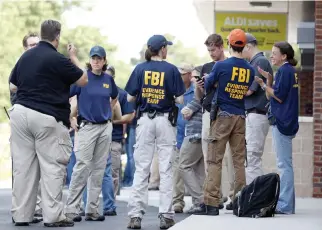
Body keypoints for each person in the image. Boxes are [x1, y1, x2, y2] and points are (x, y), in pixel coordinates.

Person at [9, 19, 87, 227]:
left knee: (23, 168)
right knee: (52, 167)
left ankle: (21, 216)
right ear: (57, 36)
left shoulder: (25, 57)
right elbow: (83, 80)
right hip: (46, 117)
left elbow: (13, 84)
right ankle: (53, 217)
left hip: (20, 114)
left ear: (41, 34)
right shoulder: (58, 59)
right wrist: (72, 57)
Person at [125, 34, 185, 229]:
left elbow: (129, 98)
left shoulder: (140, 68)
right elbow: (180, 100)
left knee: (142, 168)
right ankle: (166, 215)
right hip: (165, 120)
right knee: (166, 168)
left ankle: (135, 216)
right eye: (166, 47)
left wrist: (146, 94)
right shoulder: (171, 70)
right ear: (162, 49)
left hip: (145, 120)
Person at [194, 29, 255, 216]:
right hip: (240, 116)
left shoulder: (220, 66)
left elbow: (208, 84)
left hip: (222, 116)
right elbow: (245, 90)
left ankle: (211, 203)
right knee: (238, 161)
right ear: (244, 46)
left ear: (228, 45)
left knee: (214, 160)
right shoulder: (250, 69)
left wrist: (205, 82)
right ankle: (238, 201)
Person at [65, 45, 118, 222]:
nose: (96, 61)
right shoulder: (83, 78)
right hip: (87, 127)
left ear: (104, 61)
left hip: (105, 127)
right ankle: (72, 209)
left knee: (99, 169)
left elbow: (115, 96)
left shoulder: (108, 79)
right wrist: (70, 118)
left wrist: (108, 111)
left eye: (99, 58)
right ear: (90, 60)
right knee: (82, 167)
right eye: (93, 58)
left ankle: (92, 209)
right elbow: (66, 96)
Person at [254, 41, 299, 215]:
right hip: (285, 121)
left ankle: (285, 205)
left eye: (274, 53)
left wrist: (264, 85)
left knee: (284, 165)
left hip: (282, 122)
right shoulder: (286, 71)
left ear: (284, 56)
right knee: (285, 164)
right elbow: (271, 96)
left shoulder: (285, 71)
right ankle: (288, 204)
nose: (271, 56)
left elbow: (278, 97)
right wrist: (269, 80)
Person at [198, 33, 234, 208]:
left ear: (221, 47)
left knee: (227, 157)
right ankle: (215, 196)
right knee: (209, 156)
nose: (211, 53)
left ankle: (232, 195)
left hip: (226, 113)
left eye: (213, 50)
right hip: (208, 112)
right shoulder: (206, 67)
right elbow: (201, 96)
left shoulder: (229, 65)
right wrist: (199, 87)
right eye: (208, 50)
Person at [242, 33, 273, 185]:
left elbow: (249, 90)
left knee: (252, 158)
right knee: (252, 158)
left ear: (248, 46)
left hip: (257, 114)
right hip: (254, 115)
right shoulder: (256, 61)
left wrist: (230, 90)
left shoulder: (259, 61)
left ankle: (255, 199)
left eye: (241, 48)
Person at [177, 65, 205, 214]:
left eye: (196, 77)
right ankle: (198, 203)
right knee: (199, 170)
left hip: (195, 134)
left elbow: (189, 109)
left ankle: (200, 199)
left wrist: (187, 109)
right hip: (199, 134)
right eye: (193, 77)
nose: (193, 79)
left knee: (183, 166)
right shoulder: (197, 91)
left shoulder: (200, 91)